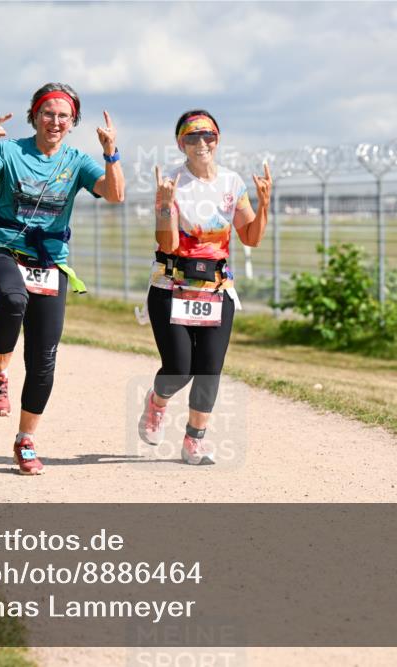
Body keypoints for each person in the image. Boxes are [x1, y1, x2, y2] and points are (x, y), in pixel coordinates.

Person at [0, 83, 124, 475]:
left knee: (43, 358)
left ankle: (25, 441)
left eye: (64, 116)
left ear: (73, 122)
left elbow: (114, 194)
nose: (55, 122)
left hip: (48, 261)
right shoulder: (10, 151)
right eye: (48, 113)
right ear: (34, 116)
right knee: (14, 299)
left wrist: (111, 152)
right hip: (0, 248)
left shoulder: (77, 161)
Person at [138, 109, 271, 465]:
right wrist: (165, 205)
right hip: (172, 287)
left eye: (208, 135)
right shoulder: (171, 182)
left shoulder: (232, 183)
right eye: (192, 136)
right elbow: (167, 244)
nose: (202, 143)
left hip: (216, 289)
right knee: (179, 369)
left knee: (210, 368)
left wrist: (264, 204)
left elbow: (251, 237)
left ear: (217, 139)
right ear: (180, 143)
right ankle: (157, 402)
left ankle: (194, 441)